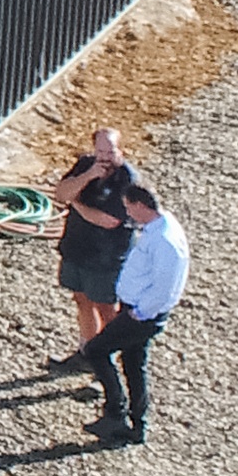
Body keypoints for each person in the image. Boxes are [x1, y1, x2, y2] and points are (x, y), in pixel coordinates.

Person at [75, 181, 187, 445]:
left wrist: (140, 312)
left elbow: (164, 287)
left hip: (141, 314)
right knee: (135, 365)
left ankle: (116, 410)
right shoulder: (158, 229)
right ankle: (136, 424)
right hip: (138, 310)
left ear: (140, 205)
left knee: (96, 350)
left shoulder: (164, 241)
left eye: (129, 208)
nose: (127, 213)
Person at [47, 127, 137, 367]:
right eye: (100, 151)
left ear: (121, 151)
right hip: (77, 250)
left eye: (110, 151)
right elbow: (61, 192)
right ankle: (87, 351)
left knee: (107, 309)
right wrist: (87, 177)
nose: (104, 157)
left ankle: (109, 364)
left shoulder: (127, 180)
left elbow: (109, 221)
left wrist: (76, 203)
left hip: (106, 259)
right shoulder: (86, 165)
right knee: (81, 299)